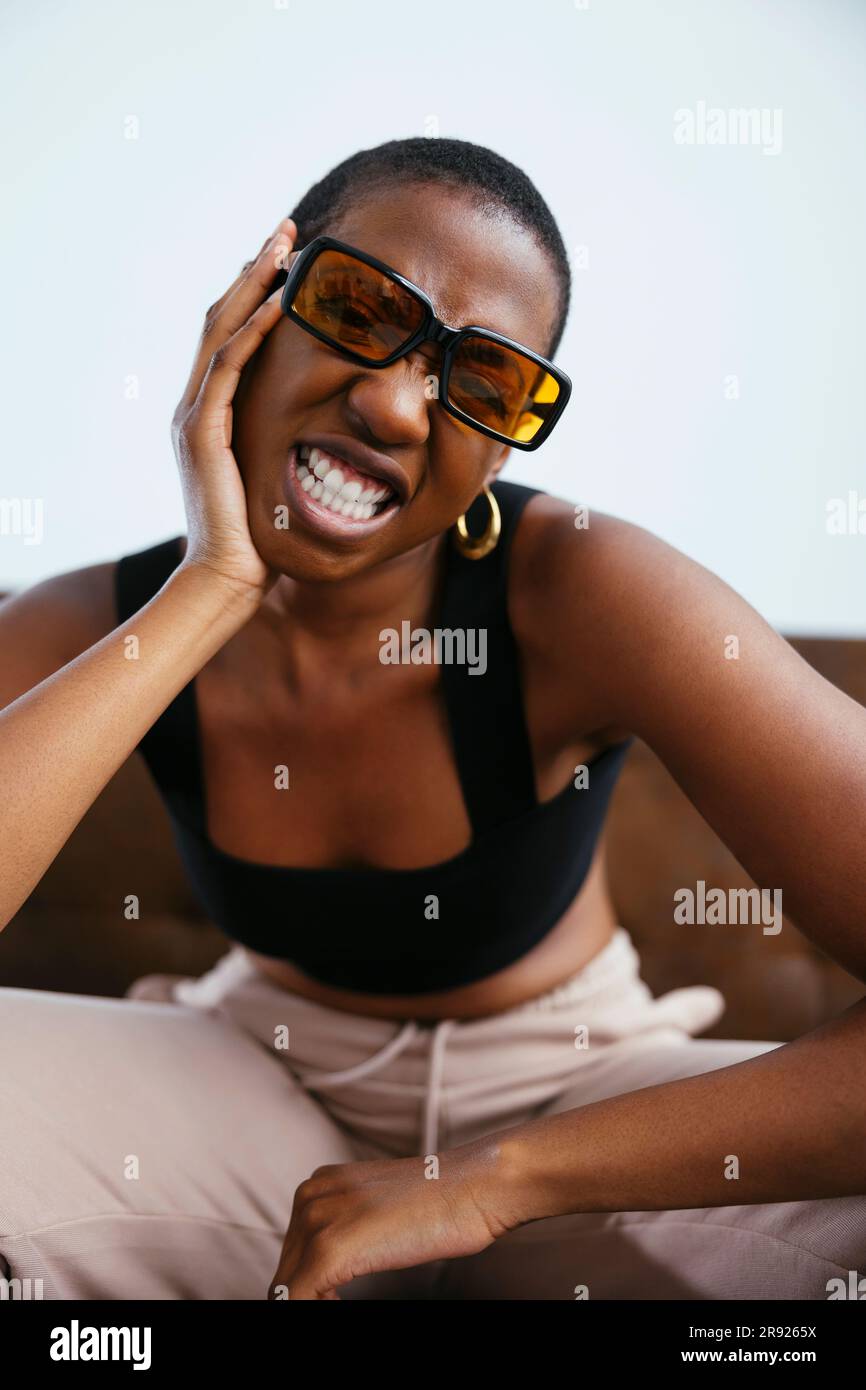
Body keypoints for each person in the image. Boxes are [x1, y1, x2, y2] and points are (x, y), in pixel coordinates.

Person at [1, 138, 865, 1302]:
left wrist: (496, 1177)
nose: (394, 404)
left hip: (574, 1103)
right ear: (259, 301)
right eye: (360, 310)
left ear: (504, 439)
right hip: (248, 1089)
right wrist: (210, 588)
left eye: (484, 380)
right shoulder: (96, 620)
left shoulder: (586, 587)